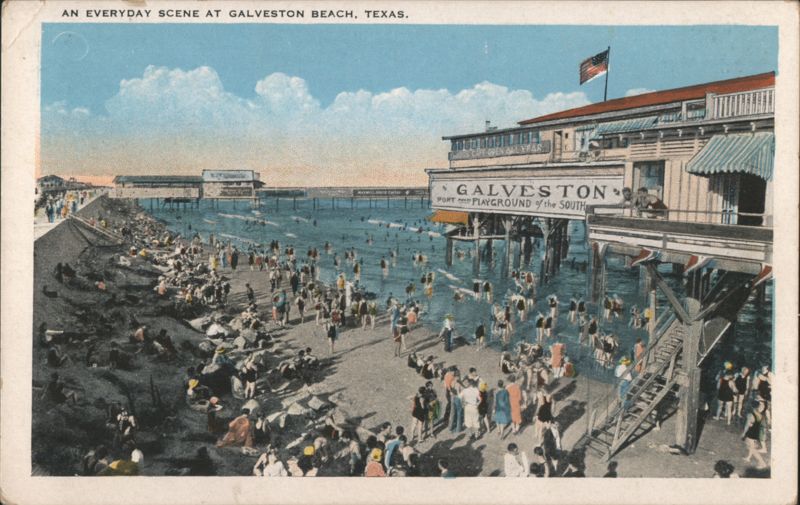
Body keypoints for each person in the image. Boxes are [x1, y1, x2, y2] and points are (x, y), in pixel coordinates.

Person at [742, 401, 768, 469]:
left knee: (752, 448)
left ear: (751, 406)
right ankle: (748, 458)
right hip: (756, 433)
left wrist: (744, 433)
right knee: (751, 446)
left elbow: (747, 426)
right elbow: (757, 424)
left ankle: (763, 463)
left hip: (751, 433)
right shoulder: (760, 414)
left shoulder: (750, 414)